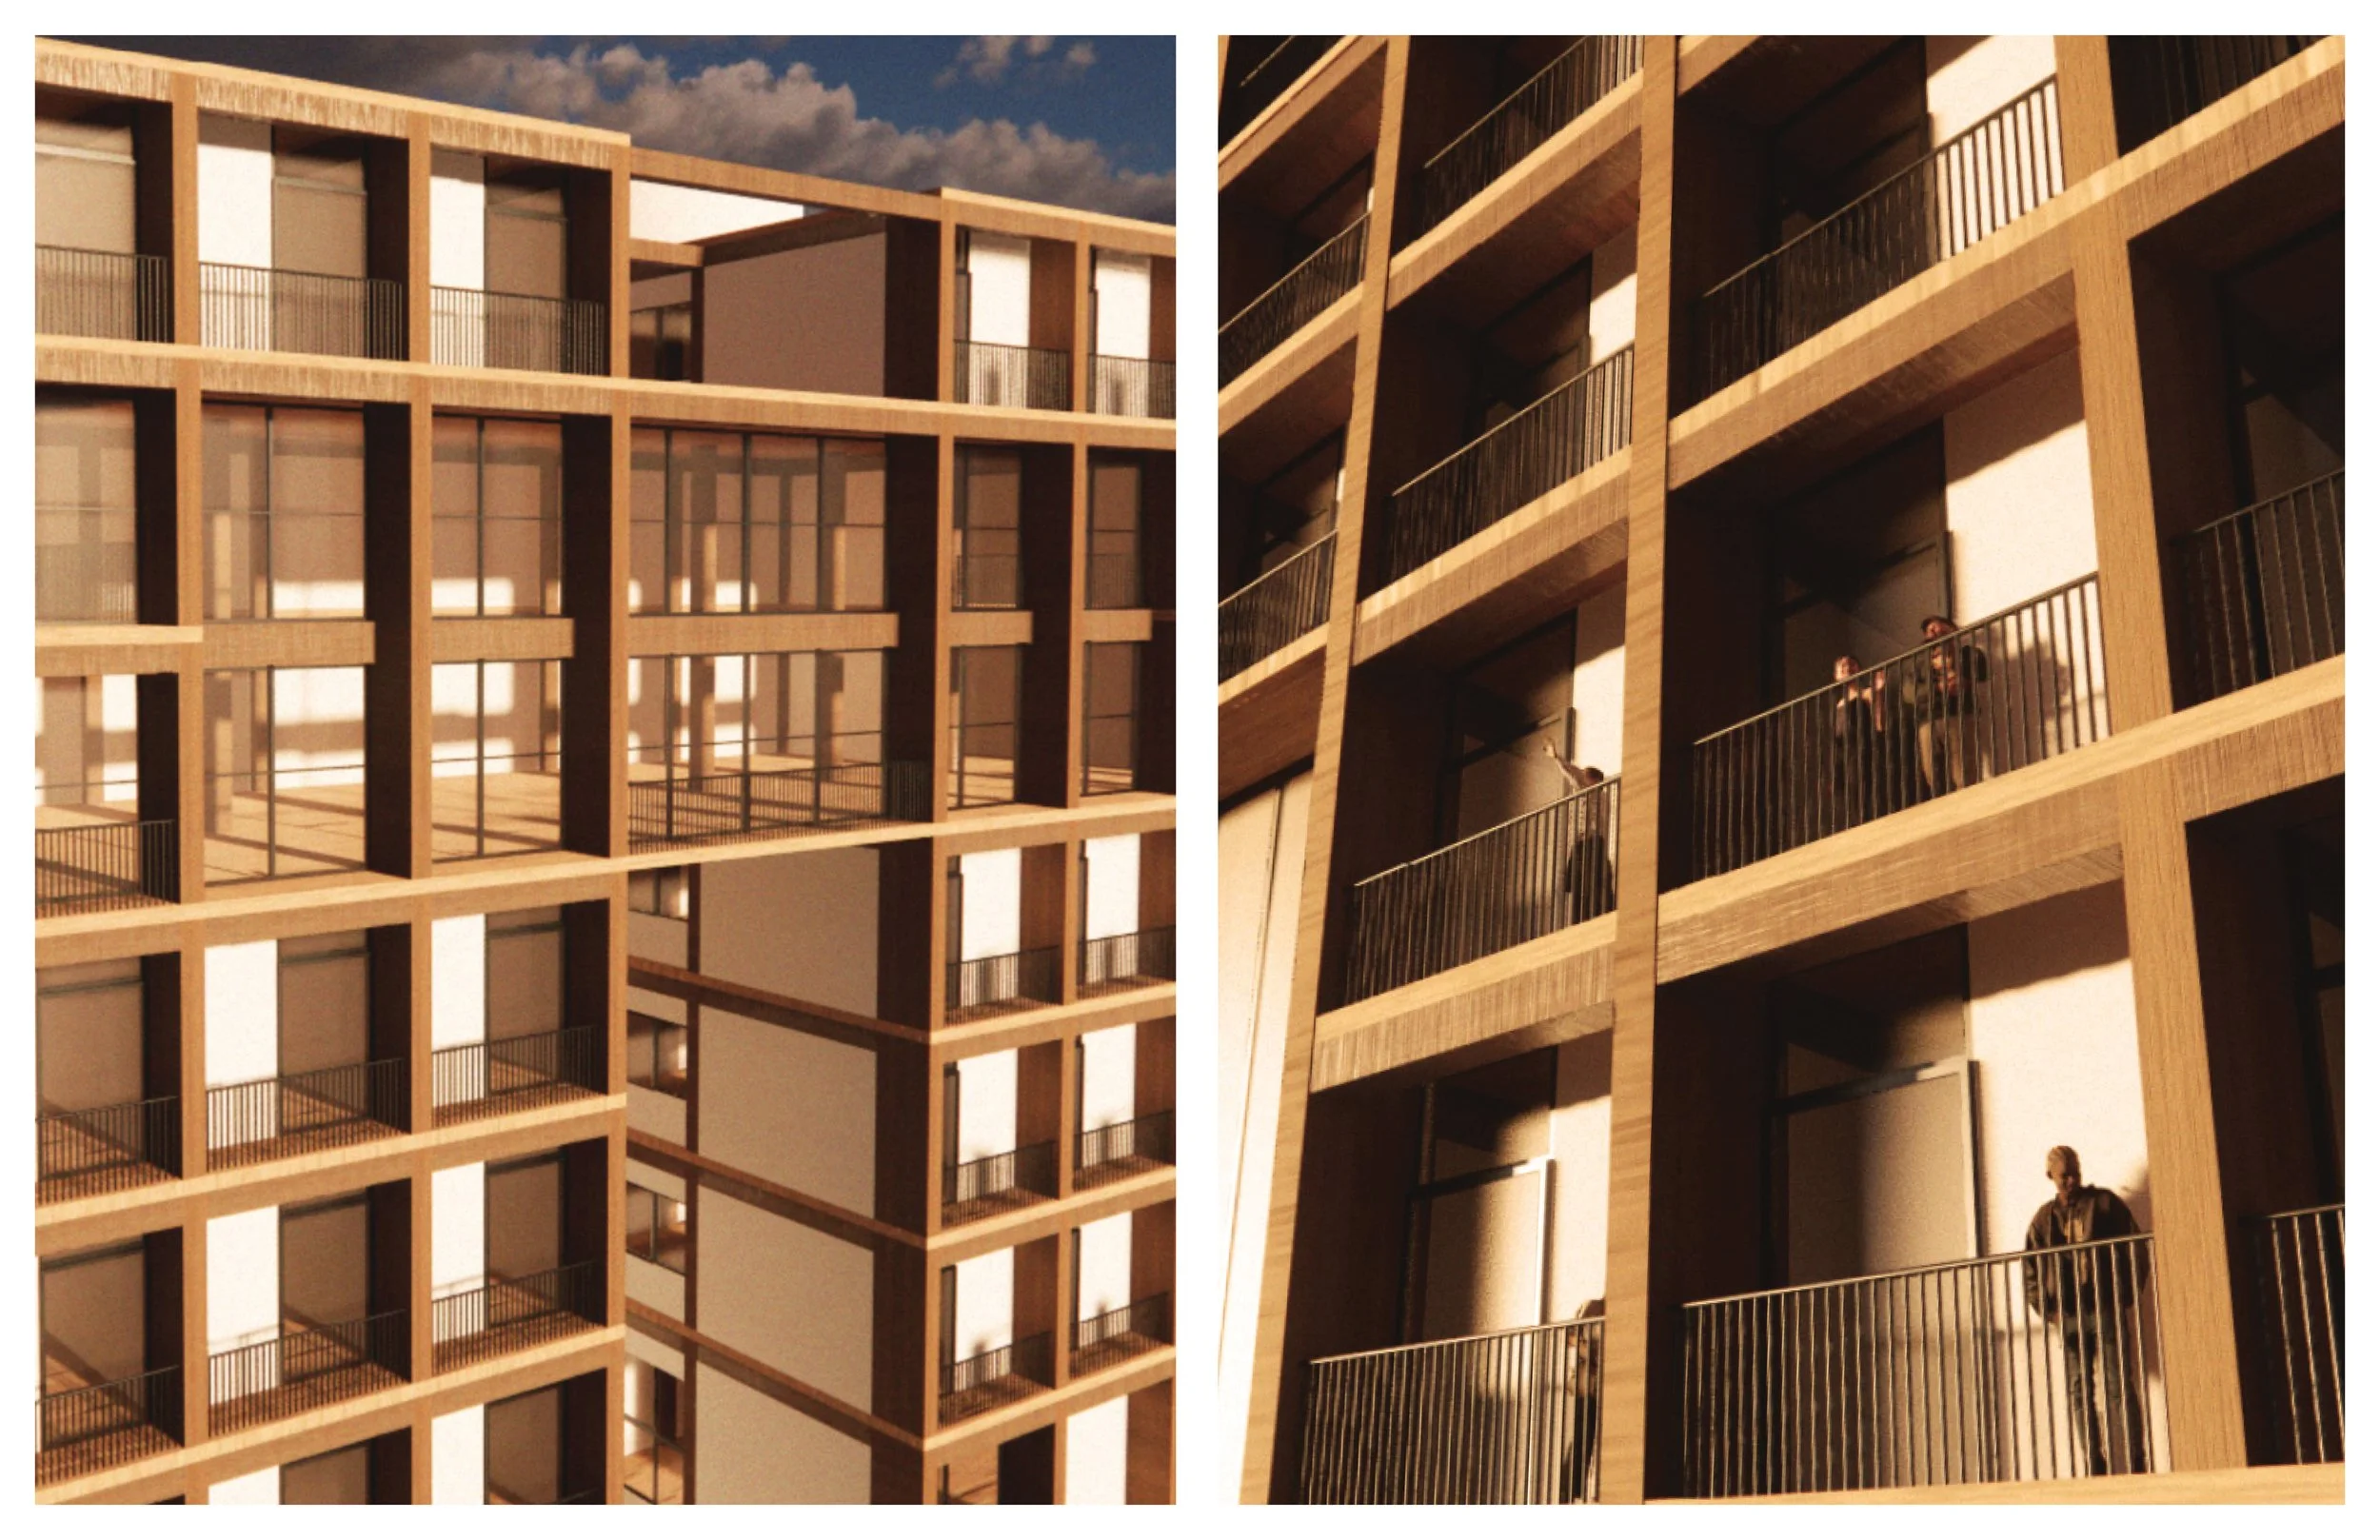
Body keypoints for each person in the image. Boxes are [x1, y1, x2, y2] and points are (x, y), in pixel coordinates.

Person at [2023, 1146, 2150, 1476]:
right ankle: (2094, 1461)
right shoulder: (2043, 1219)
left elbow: (2136, 1245)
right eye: (2064, 1174)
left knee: (2118, 1384)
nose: (2071, 1179)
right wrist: (2048, 1311)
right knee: (2080, 1390)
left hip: (2103, 1307)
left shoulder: (2105, 1204)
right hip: (2068, 1315)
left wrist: (2125, 1293)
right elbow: (2030, 1272)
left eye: (2074, 1171)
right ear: (2050, 1175)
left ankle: (2136, 1459)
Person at [1913, 613, 1991, 798]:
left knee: (1963, 770)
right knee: (1932, 773)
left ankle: (1967, 807)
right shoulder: (1920, 663)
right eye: (1929, 630)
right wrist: (1937, 687)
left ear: (1952, 629)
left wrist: (1962, 680)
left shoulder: (1968, 653)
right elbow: (1911, 691)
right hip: (1928, 720)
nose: (1933, 631)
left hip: (1958, 715)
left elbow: (1980, 673)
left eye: (1938, 626)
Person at [1542, 741, 1615, 921]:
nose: (1580, 780)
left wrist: (1557, 757)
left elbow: (1572, 775)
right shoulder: (1598, 796)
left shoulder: (1594, 793)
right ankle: (1586, 915)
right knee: (1583, 880)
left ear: (1594, 781)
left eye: (1585, 777)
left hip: (1590, 843)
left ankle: (1584, 916)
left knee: (1584, 881)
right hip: (1588, 843)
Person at [1559, 1297, 1607, 1504]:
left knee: (1585, 1437)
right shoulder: (1593, 1307)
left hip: (1592, 1385)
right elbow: (1572, 1338)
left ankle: (1573, 1489)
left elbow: (1575, 1339)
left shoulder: (1593, 1307)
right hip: (1589, 1386)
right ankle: (1572, 1489)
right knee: (1583, 1436)